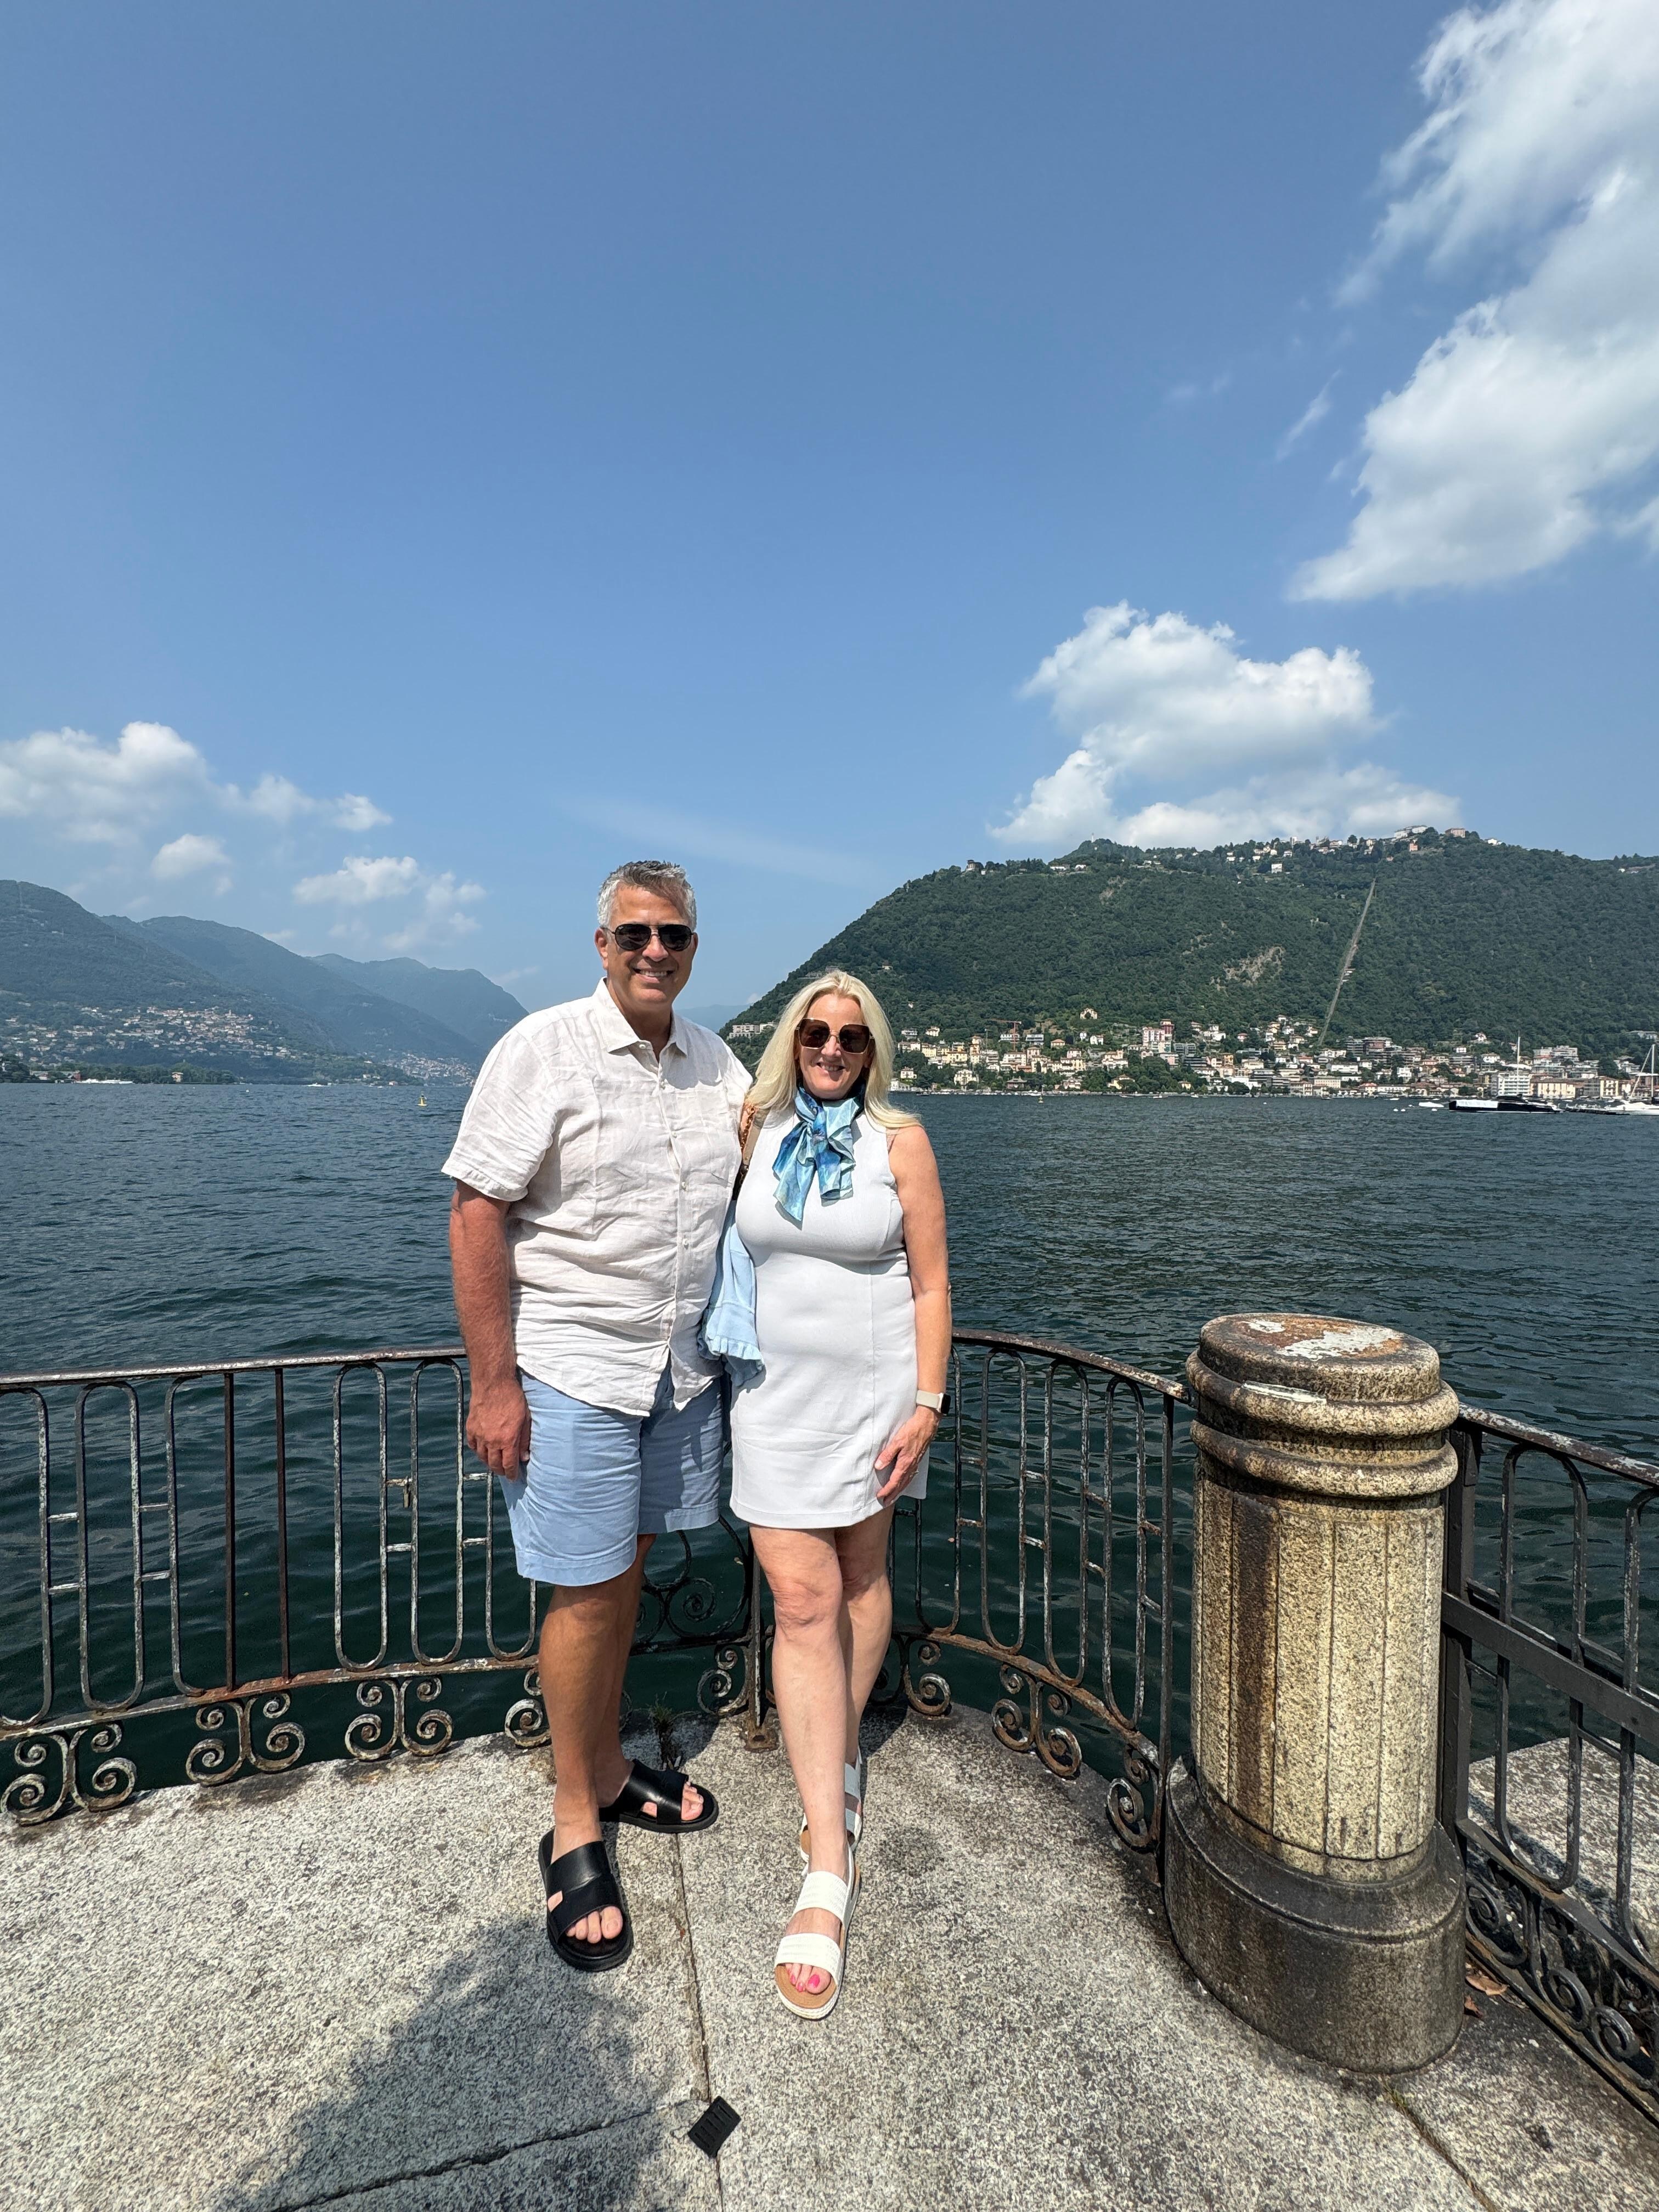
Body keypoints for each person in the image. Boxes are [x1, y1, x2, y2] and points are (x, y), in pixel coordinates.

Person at [443, 860, 749, 1973]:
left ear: (694, 947)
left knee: (623, 1573)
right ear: (602, 943)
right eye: (635, 934)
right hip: (573, 1369)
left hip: (678, 1371)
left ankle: (611, 1770)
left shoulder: (718, 1064)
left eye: (674, 935)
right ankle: (574, 1817)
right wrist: (494, 1384)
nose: (655, 951)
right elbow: (476, 1212)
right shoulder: (542, 1049)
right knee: (582, 1593)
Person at [730, 970, 950, 2018]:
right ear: (792, 1039)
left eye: (850, 1038)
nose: (830, 1048)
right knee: (803, 1600)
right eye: (815, 1032)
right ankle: (829, 1859)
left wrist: (929, 1404)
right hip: (770, 1402)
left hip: (871, 1399)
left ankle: (837, 1761)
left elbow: (932, 1282)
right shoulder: (754, 1128)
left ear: (872, 1052)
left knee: (862, 1580)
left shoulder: (900, 1142)